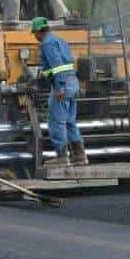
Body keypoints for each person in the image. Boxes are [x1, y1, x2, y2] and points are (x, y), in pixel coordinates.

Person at [31, 16, 88, 166]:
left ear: (38, 32)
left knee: (56, 121)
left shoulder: (47, 44)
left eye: (34, 33)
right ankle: (79, 155)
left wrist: (59, 86)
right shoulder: (60, 40)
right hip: (73, 83)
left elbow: (57, 66)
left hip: (62, 85)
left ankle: (62, 157)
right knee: (70, 121)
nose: (34, 36)